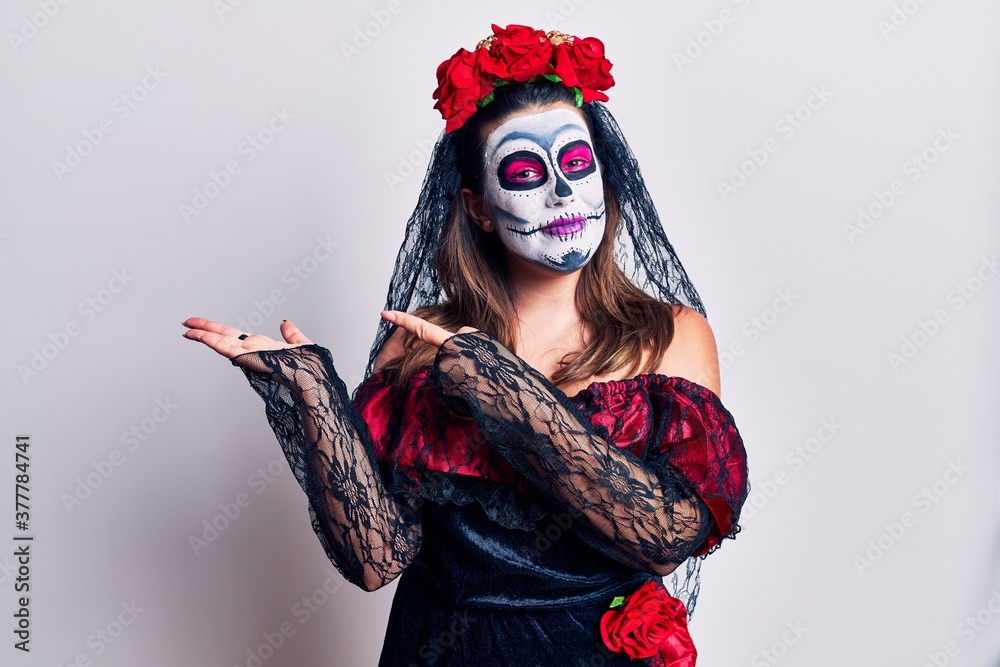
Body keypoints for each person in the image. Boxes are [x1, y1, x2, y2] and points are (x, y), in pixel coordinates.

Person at [183, 24, 749, 666]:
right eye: (526, 171)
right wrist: (315, 391)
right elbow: (375, 560)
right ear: (479, 208)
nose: (561, 193)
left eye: (576, 164)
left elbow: (664, 538)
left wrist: (504, 393)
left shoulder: (669, 335)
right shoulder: (421, 341)